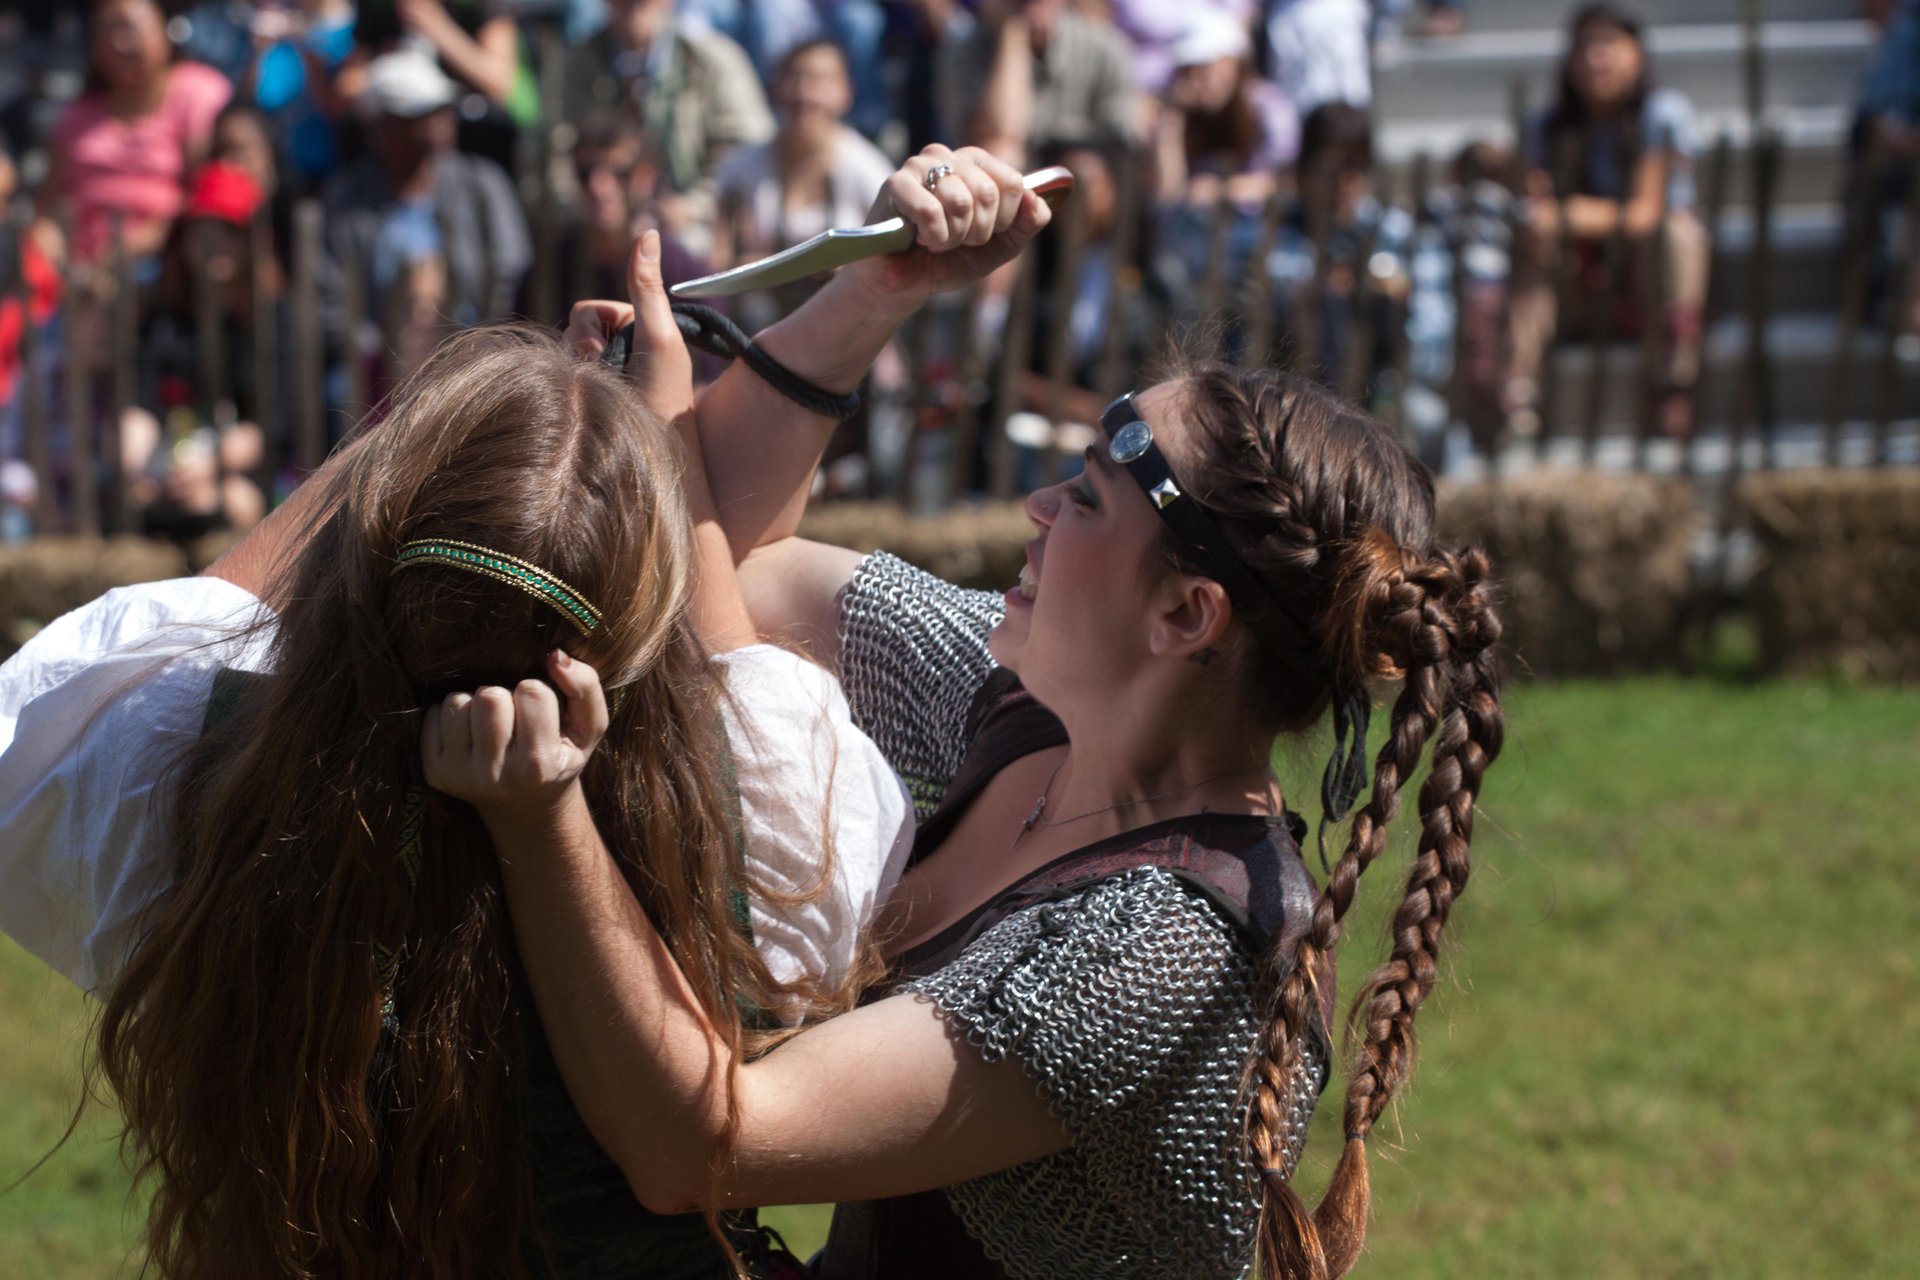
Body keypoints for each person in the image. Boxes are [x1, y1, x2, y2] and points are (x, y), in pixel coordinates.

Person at [435, 145, 1507, 1280]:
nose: (1039, 507)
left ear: (1188, 615)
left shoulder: (1175, 945)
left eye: (1087, 493)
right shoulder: (1030, 708)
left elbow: (698, 1140)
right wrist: (873, 294)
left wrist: (540, 819)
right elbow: (735, 559)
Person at [0, 273, 916, 1272]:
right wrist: (659, 441)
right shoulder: (771, 780)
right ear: (642, 610)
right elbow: (734, 659)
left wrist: (432, 444)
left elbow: (175, 625)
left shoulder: (184, 762)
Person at [1504, 3, 1710, 438]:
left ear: (1638, 53)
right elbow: (1534, 209)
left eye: (1610, 44)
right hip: (1575, 287)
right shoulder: (1546, 125)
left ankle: (1673, 380)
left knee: (1679, 233)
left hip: (1645, 287)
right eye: (1586, 47)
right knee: (1530, 241)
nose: (1597, 58)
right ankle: (1517, 394)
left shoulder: (1663, 113)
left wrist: (1567, 213)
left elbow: (1646, 214)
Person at [318, 48, 531, 377]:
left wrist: (479, 345)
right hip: (374, 373)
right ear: (382, 127)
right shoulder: (346, 199)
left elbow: (511, 268)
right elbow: (330, 296)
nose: (439, 121)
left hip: (475, 362)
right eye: (421, 113)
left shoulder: (482, 184)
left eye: (443, 109)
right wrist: (377, 355)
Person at [31, 0, 233, 273]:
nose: (119, 43)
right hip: (79, 268)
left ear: (167, 33)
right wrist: (46, 238)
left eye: (129, 30)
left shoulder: (198, 93)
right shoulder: (78, 114)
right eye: (106, 32)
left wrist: (149, 239)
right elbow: (47, 202)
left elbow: (206, 186)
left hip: (167, 265)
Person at [713, 38, 897, 330]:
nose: (805, 94)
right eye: (795, 78)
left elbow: (889, 256)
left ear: (845, 91)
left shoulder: (868, 169)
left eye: (819, 80)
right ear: (777, 89)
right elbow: (718, 257)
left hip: (846, 323)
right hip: (757, 324)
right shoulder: (741, 167)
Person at [562, 0, 775, 243]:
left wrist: (691, 207)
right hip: (600, 223)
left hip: (697, 225)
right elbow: (556, 156)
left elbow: (746, 156)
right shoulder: (576, 65)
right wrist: (596, 202)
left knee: (690, 245)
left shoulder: (714, 60)